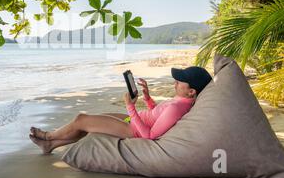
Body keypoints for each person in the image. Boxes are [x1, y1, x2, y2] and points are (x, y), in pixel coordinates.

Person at [29, 66, 212, 154]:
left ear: (192, 91)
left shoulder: (177, 107)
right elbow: (158, 114)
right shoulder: (182, 101)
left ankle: (48, 137)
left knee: (81, 119)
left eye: (180, 81)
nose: (175, 82)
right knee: (92, 120)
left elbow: (149, 136)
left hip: (134, 129)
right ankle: (50, 146)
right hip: (135, 120)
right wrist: (147, 97)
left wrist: (130, 106)